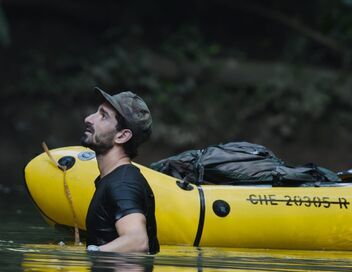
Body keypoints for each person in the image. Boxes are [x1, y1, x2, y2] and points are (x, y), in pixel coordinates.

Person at [81, 87, 159, 254]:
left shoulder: (122, 184)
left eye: (103, 116)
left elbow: (137, 241)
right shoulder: (113, 179)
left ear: (122, 136)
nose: (89, 119)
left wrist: (91, 254)